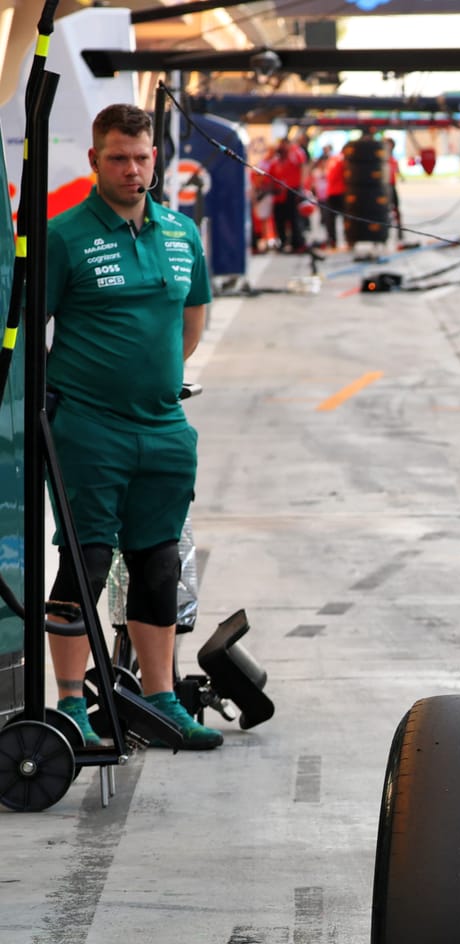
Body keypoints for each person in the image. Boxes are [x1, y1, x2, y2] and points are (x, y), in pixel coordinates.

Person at [43, 104, 221, 749]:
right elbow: (29, 326)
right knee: (87, 561)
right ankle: (71, 705)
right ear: (94, 160)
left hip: (165, 428)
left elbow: (192, 318)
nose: (132, 170)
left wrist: (157, 377)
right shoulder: (63, 236)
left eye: (142, 157)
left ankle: (161, 698)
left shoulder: (181, 232)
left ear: (155, 159)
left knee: (158, 564)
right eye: (118, 158)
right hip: (88, 428)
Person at [265, 131, 308, 253]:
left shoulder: (296, 153)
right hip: (279, 194)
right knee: (280, 219)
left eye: (283, 144)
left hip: (292, 190)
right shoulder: (277, 160)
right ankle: (283, 242)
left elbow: (303, 168)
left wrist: (301, 188)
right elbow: (270, 176)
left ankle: (297, 243)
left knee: (294, 218)